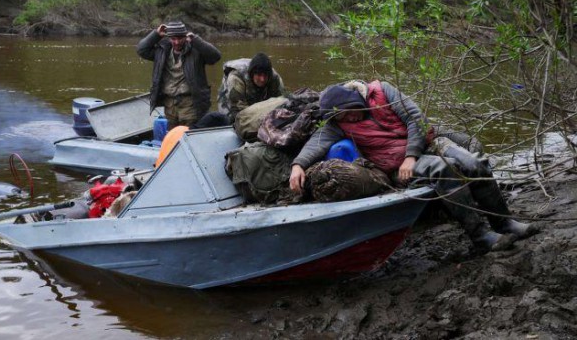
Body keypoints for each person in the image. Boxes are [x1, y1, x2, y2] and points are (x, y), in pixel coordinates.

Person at [289, 80, 538, 253]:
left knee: (474, 163)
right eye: (341, 118)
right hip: (395, 165)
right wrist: (298, 165)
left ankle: (504, 223)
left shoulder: (383, 92)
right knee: (445, 169)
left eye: (347, 113)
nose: (347, 120)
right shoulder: (337, 124)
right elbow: (316, 144)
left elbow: (416, 119)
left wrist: (412, 154)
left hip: (424, 146)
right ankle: (481, 236)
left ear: (354, 101)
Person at [137, 21, 221, 129]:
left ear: (185, 37)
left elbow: (216, 56)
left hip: (191, 103)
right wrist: (156, 34)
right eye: (173, 39)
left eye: (180, 38)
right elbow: (141, 50)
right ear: (168, 38)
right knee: (173, 135)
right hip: (170, 104)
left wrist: (196, 40)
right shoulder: (161, 51)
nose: (176, 42)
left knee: (190, 133)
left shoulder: (195, 51)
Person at [217, 53, 285, 123]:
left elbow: (282, 100)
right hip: (231, 102)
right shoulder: (236, 78)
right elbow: (238, 110)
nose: (262, 79)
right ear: (252, 73)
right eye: (259, 75)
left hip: (253, 95)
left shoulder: (275, 77)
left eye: (265, 75)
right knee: (231, 121)